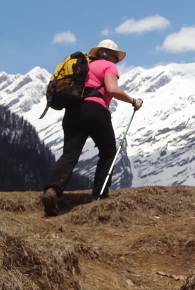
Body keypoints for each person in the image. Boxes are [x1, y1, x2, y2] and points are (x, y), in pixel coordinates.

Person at [42, 39, 143, 216]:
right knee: (108, 150)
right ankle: (99, 194)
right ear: (110, 54)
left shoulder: (85, 66)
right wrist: (133, 101)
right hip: (95, 110)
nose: (116, 61)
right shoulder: (108, 66)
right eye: (116, 57)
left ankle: (52, 191)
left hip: (72, 111)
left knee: (70, 153)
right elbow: (112, 89)